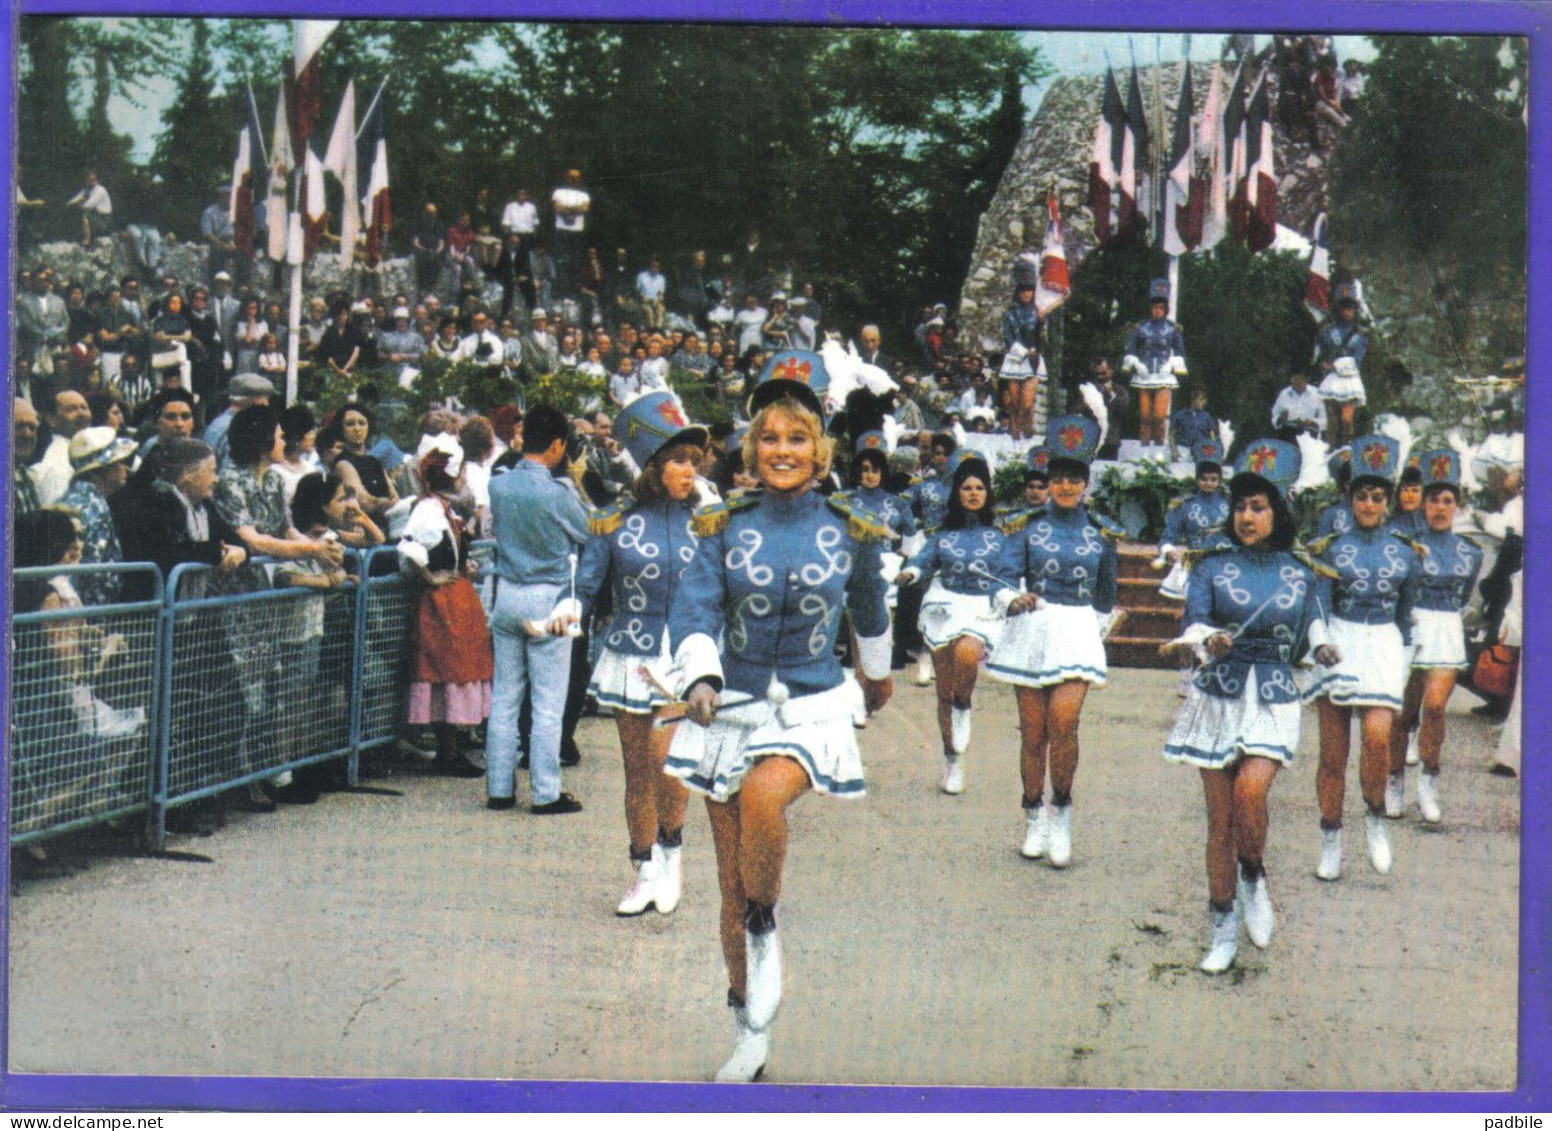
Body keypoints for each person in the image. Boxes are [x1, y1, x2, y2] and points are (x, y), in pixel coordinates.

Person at [664, 350, 893, 1082]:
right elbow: (695, 605)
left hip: (810, 700)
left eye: (797, 438)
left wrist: (878, 675)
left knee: (767, 794)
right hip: (726, 704)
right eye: (769, 438)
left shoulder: (849, 528)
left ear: (820, 447)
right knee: (731, 883)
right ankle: (748, 1028)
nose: (783, 452)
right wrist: (699, 674)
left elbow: (869, 607)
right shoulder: (720, 524)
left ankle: (768, 924)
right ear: (751, 447)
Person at [1160, 439, 1338, 973]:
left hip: (1275, 694)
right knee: (1220, 821)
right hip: (1217, 695)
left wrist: (1322, 645)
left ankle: (1254, 874)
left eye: (1258, 507)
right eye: (1240, 506)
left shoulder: (1301, 568)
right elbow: (1193, 621)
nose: (1245, 516)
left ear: (1278, 511)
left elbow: (1312, 621)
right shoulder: (1210, 564)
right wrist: (1208, 638)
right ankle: (1222, 929)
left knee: (1250, 791)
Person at [548, 393, 705, 914]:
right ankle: (644, 868)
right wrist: (571, 607)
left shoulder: (708, 519)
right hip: (630, 654)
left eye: (694, 461)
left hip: (683, 657)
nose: (690, 471)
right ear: (656, 466)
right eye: (680, 461)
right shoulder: (614, 519)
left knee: (668, 762)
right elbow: (588, 580)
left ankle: (673, 856)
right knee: (637, 770)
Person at [988, 415, 1122, 868]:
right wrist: (1012, 597)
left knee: (1064, 724)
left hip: (1077, 631)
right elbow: (1005, 576)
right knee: (1033, 733)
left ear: (1085, 484)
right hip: (1034, 627)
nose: (1065, 487)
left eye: (1074, 479)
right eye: (1058, 479)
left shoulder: (1102, 532)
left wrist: (1098, 627)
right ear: (1048, 482)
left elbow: (1106, 591)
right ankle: (1033, 817)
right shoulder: (1024, 525)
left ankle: (1062, 813)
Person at [1303, 434, 1420, 880]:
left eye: (1377, 497)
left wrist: (1404, 663)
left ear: (1387, 501)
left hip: (1385, 646)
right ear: (1349, 498)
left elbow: (1407, 617)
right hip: (1341, 641)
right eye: (1361, 496)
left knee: (1377, 736)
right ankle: (1331, 837)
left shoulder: (1406, 553)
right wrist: (1320, 643)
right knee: (1333, 755)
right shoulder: (1330, 547)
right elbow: (1317, 602)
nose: (1368, 504)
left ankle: (1374, 818)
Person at [485, 405, 592, 814]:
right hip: (547, 596)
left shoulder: (500, 485)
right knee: (548, 701)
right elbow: (587, 529)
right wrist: (576, 482)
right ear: (558, 446)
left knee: (506, 697)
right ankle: (545, 791)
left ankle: (499, 787)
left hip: (507, 593)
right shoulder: (559, 492)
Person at [895, 452, 1015, 796]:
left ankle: (966, 703)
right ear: (957, 493)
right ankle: (953, 762)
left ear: (987, 493)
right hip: (944, 605)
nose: (973, 493)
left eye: (979, 487)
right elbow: (923, 561)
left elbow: (1007, 573)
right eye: (967, 488)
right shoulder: (941, 535)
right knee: (943, 690)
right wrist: (910, 572)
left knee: (967, 655)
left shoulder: (1000, 536)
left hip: (981, 607)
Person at [1384, 451, 1483, 823]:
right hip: (1411, 625)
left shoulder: (1469, 552)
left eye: (1447, 501)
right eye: (1433, 500)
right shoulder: (1405, 545)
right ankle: (1394, 780)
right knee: (1403, 711)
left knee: (1437, 707)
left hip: (1446, 628)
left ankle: (1428, 782)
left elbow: (1466, 591)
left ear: (1456, 506)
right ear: (1422, 503)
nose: (1440, 508)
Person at [398, 443, 494, 778]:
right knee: (446, 670)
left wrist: (456, 563)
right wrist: (431, 575)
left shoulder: (440, 507)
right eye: (462, 473)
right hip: (442, 600)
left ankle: (450, 748)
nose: (465, 478)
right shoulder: (428, 509)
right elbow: (409, 547)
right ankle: (448, 750)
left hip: (455, 597)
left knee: (452, 669)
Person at [56, 427, 138, 607]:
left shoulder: (74, 498)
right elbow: (92, 572)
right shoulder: (93, 507)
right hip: (86, 613)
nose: (125, 468)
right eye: (117, 462)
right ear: (96, 471)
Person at [1123, 279, 1187, 449]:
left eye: (1160, 307)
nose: (1157, 310)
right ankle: (1144, 449)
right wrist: (1136, 364)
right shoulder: (1140, 327)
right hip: (1144, 375)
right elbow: (1130, 349)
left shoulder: (1173, 329)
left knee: (1159, 416)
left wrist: (1171, 363)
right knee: (1145, 416)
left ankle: (1159, 449)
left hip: (1164, 375)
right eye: (1154, 307)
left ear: (1165, 309)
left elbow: (1181, 352)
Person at [1316, 284, 1367, 447]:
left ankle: (1347, 450)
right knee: (1331, 421)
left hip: (1348, 379)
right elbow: (1321, 353)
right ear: (1338, 309)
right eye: (1344, 308)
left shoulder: (1359, 335)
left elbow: (1356, 361)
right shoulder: (1329, 331)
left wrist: (1334, 366)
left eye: (1351, 308)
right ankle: (1329, 450)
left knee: (1347, 420)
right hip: (1331, 380)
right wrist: (1322, 363)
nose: (1347, 312)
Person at [999, 259, 1044, 441]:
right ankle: (1015, 434)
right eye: (1023, 290)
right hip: (1016, 359)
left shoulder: (1039, 312)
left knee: (1027, 403)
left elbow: (1043, 337)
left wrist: (1037, 348)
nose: (1027, 293)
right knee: (1015, 403)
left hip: (1034, 359)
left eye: (1030, 289)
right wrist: (1024, 352)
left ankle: (1028, 432)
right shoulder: (1009, 313)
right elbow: (1009, 338)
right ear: (1018, 292)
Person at [333, 404, 400, 524]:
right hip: (361, 530)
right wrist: (386, 502)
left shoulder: (373, 461)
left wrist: (381, 502)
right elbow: (365, 503)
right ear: (341, 429)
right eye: (350, 424)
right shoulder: (342, 464)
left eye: (362, 423)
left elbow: (395, 497)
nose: (357, 429)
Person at [1271, 368, 1327, 442]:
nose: (1298, 382)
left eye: (1301, 379)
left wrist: (1311, 423)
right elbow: (1274, 415)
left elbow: (1325, 420)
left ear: (1307, 379)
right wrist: (1281, 419)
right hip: (1288, 433)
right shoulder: (1284, 394)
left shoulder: (1317, 394)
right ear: (1290, 379)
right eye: (1294, 379)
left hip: (1310, 434)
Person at [1169, 386, 1216, 462]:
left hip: (1201, 450)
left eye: (1204, 400)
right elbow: (1171, 434)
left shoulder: (1206, 416)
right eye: (1201, 399)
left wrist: (1210, 453)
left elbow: (1212, 437)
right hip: (1183, 450)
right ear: (1193, 400)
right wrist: (1174, 451)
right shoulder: (1180, 415)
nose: (1203, 402)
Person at [66, 170, 113, 245]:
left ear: (97, 179)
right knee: (75, 213)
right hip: (95, 217)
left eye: (94, 179)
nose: (92, 181)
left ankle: (86, 241)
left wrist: (78, 203)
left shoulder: (101, 190)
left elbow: (88, 206)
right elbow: (73, 201)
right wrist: (73, 203)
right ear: (86, 180)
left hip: (104, 221)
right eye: (90, 179)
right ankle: (73, 236)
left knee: (86, 215)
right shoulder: (86, 189)